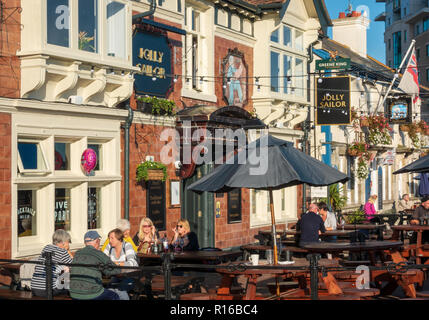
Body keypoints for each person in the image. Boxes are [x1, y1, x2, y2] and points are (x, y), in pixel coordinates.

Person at [69, 231, 121, 300]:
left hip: (74, 293)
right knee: (114, 296)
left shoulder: (77, 253)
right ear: (97, 241)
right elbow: (114, 270)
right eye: (99, 241)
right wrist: (120, 265)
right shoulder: (98, 254)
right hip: (91, 294)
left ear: (85, 243)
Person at [31, 229, 73, 298]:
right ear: (64, 242)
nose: (69, 244)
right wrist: (68, 251)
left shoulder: (46, 248)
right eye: (69, 241)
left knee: (60, 269)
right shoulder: (62, 251)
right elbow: (73, 265)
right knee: (66, 269)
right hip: (49, 290)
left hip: (34, 288)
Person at [103, 228, 139, 300]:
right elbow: (103, 262)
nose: (110, 241)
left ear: (119, 239)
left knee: (119, 289)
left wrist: (116, 264)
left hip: (129, 277)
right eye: (109, 238)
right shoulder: (109, 246)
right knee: (110, 290)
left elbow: (133, 263)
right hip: (114, 277)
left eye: (112, 238)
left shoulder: (127, 246)